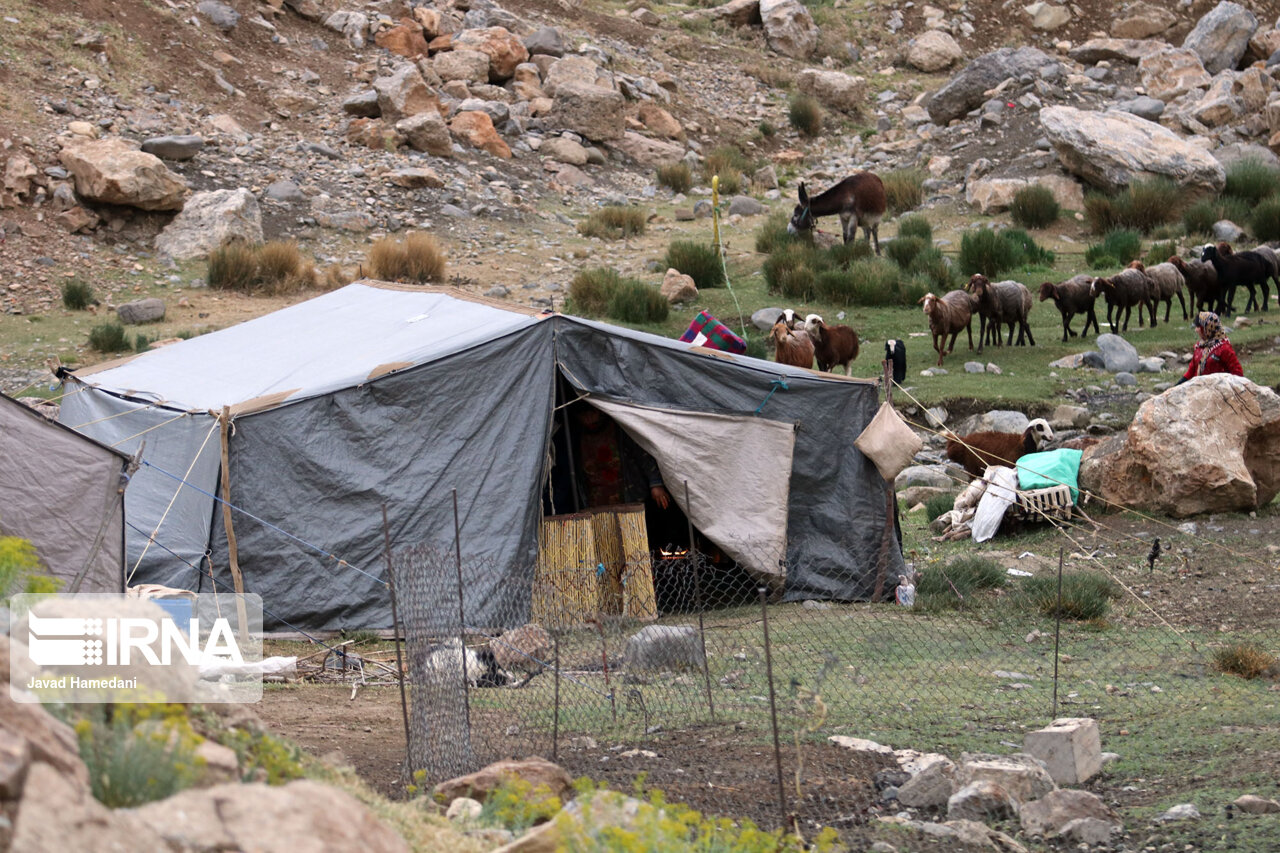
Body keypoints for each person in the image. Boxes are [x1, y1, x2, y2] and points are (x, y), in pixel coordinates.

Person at [573, 405, 671, 511]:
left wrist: (656, 484)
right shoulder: (576, 438)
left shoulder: (619, 430)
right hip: (597, 501)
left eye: (592, 413)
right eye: (584, 415)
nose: (588, 418)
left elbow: (643, 455)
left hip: (628, 494)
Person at [1176, 311, 1243, 385]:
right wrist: (1176, 386)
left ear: (1207, 328)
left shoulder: (1223, 348)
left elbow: (1238, 374)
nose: (1196, 330)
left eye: (1198, 327)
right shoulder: (1199, 347)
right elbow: (1191, 371)